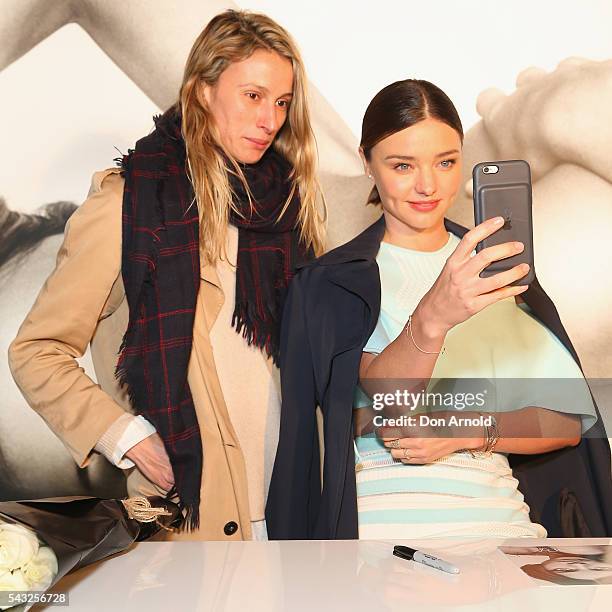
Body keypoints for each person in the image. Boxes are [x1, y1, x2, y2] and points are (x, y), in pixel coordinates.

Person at [8, 9, 326, 540]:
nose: (270, 119)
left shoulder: (289, 209)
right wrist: (126, 437)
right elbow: (36, 350)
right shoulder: (131, 203)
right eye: (252, 95)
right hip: (198, 517)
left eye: (282, 102)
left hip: (296, 505)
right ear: (203, 91)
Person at [266, 79, 612, 540]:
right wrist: (436, 315)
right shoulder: (330, 282)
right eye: (402, 165)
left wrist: (464, 429)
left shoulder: (496, 268)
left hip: (500, 533)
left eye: (446, 162)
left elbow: (565, 422)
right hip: (378, 538)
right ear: (367, 163)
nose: (427, 185)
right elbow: (386, 397)